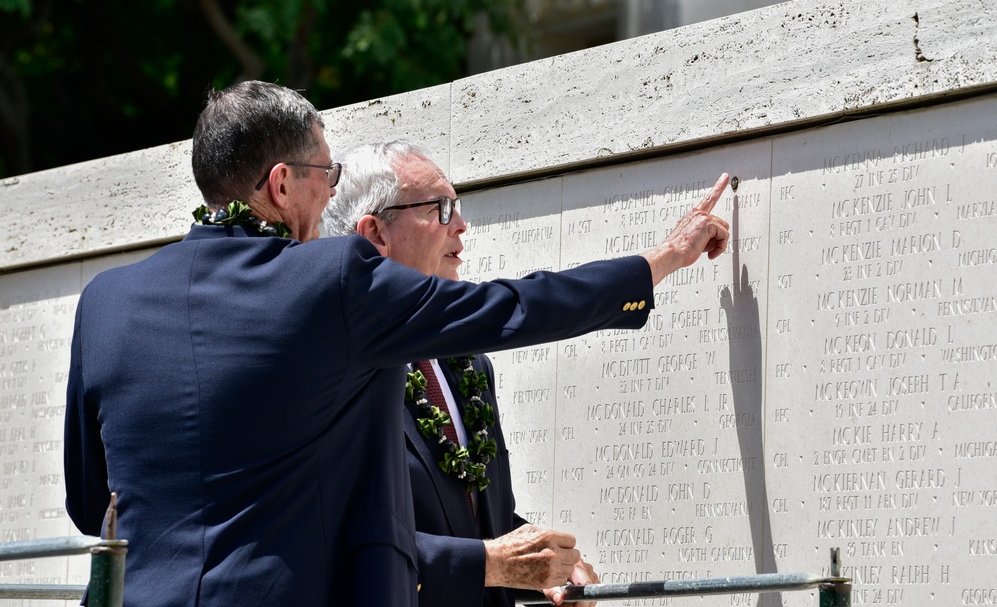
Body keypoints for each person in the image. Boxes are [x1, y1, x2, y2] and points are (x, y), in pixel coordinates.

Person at [63, 80, 730, 607]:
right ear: (281, 184)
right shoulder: (330, 280)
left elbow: (92, 501)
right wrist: (662, 259)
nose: (328, 190)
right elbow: (513, 307)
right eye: (325, 170)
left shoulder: (105, 303)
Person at [324, 140, 598, 607]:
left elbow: (477, 522)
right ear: (375, 233)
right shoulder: (331, 369)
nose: (462, 225)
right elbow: (335, 541)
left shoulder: (467, 362)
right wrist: (491, 562)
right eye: (441, 208)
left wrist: (545, 563)